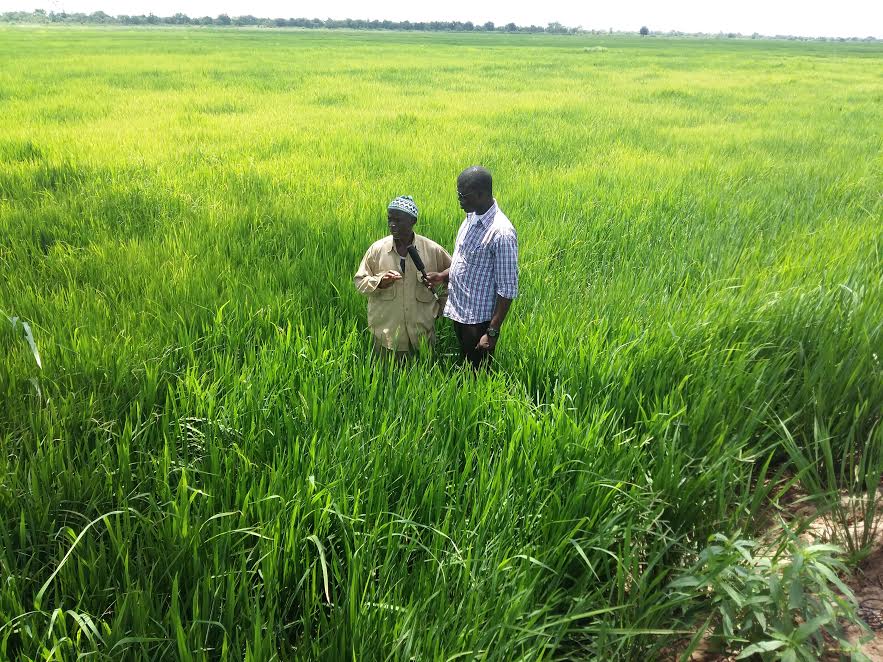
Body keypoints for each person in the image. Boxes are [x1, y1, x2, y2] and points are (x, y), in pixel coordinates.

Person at [426, 166, 518, 369]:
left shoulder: (501, 233)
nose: (459, 200)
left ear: (481, 194)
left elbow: (507, 289)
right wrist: (443, 275)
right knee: (466, 364)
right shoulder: (471, 217)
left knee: (478, 373)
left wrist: (492, 332)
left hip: (478, 321)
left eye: (463, 195)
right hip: (460, 311)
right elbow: (466, 262)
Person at [354, 195, 452, 360]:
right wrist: (379, 282)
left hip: (422, 339)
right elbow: (360, 282)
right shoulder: (377, 250)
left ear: (413, 221)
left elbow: (456, 276)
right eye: (390, 219)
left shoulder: (432, 250)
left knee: (422, 380)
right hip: (386, 339)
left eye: (398, 220)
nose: (392, 224)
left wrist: (442, 306)